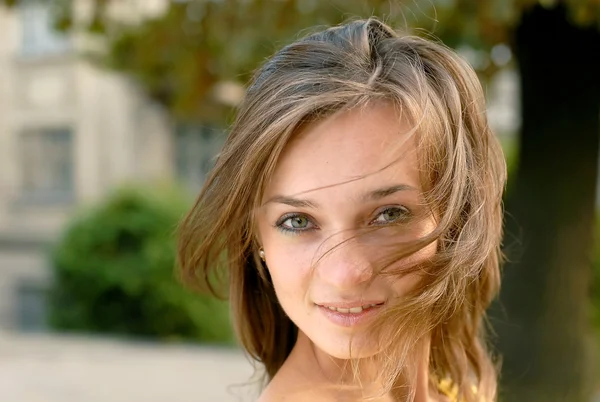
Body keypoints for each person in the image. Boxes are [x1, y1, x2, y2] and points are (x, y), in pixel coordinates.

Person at [177, 18, 506, 402]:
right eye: (297, 221)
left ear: (458, 216)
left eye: (389, 214)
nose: (346, 274)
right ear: (256, 239)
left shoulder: (455, 391)